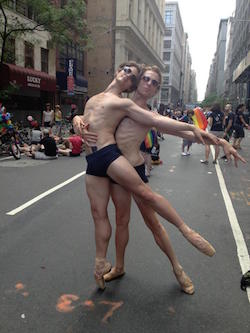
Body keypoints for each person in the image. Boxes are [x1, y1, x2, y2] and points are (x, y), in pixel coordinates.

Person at [73, 61, 245, 290]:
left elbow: (179, 129)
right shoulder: (114, 101)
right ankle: (119, 267)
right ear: (136, 82)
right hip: (111, 169)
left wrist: (221, 141)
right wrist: (76, 120)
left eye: (154, 83)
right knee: (121, 221)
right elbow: (91, 120)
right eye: (145, 79)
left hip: (132, 167)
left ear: (156, 90)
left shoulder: (146, 113)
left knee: (153, 222)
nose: (149, 84)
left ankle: (178, 268)